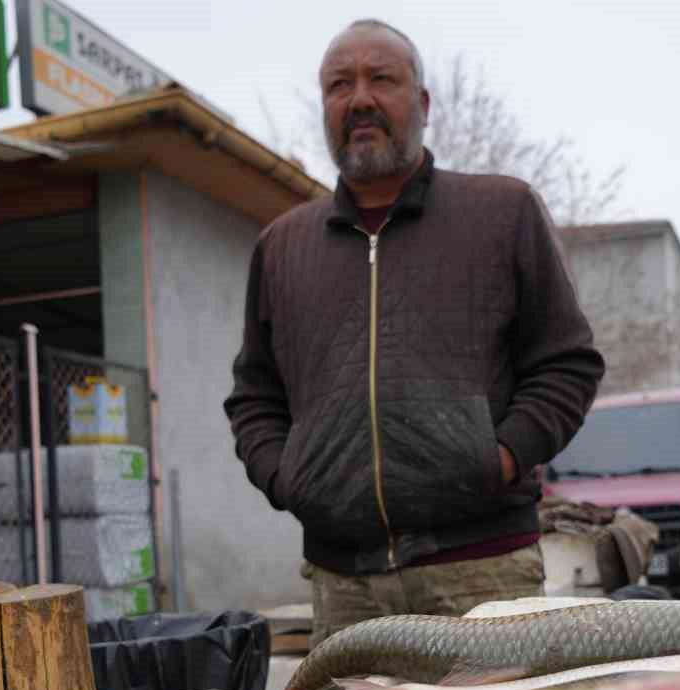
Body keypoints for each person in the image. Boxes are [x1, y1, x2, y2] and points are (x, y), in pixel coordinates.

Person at [224, 18, 604, 646]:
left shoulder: (501, 213)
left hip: (482, 572)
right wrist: (287, 477)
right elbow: (254, 397)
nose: (360, 98)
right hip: (341, 584)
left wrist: (499, 457)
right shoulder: (282, 246)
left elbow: (567, 365)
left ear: (423, 103)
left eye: (382, 79)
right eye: (339, 85)